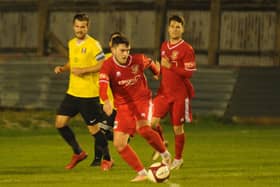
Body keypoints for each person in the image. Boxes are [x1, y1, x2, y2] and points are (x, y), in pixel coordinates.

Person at [99, 35, 171, 182]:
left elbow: (150, 63)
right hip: (123, 106)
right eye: (122, 50)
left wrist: (157, 73)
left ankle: (165, 155)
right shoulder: (107, 66)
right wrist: (106, 100)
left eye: (127, 50)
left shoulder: (137, 60)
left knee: (143, 129)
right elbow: (102, 85)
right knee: (119, 144)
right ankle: (142, 172)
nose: (125, 54)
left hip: (142, 100)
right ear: (113, 50)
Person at [54, 13, 113, 171]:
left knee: (94, 131)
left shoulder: (94, 44)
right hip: (73, 93)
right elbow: (73, 62)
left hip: (88, 95)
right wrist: (63, 68)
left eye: (83, 26)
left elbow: (103, 64)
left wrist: (85, 71)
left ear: (88, 27)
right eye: (77, 26)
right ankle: (78, 152)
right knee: (60, 123)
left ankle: (107, 159)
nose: (80, 29)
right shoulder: (72, 43)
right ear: (73, 27)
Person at [151, 15, 196, 170]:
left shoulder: (187, 49)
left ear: (182, 29)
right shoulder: (164, 45)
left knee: (177, 128)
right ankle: (162, 144)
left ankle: (178, 159)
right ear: (168, 28)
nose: (175, 29)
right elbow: (163, 66)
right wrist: (159, 71)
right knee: (152, 123)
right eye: (172, 26)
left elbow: (189, 73)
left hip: (179, 95)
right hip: (164, 92)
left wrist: (171, 67)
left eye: (178, 26)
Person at [91, 32, 122, 166]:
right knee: (99, 130)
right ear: (110, 44)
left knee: (101, 130)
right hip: (104, 102)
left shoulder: (126, 60)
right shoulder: (104, 60)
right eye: (113, 40)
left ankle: (105, 159)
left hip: (118, 105)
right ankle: (99, 159)